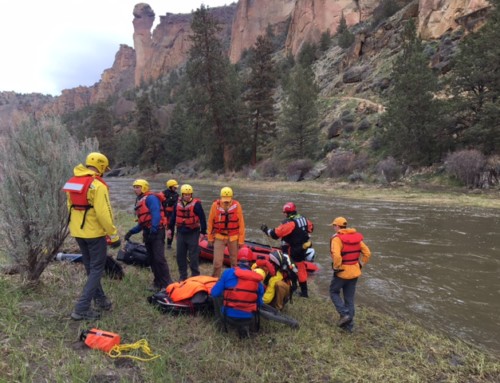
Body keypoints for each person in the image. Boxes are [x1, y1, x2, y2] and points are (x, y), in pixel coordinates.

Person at [63, 152, 121, 321]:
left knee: (91, 267)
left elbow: (69, 206)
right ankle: (81, 308)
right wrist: (113, 234)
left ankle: (101, 300)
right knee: (97, 269)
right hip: (94, 234)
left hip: (78, 232)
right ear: (101, 166)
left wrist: (76, 227)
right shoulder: (97, 185)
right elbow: (104, 214)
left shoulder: (73, 182)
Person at [125, 179, 173, 291]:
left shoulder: (151, 198)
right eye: (135, 187)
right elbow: (143, 222)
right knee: (151, 259)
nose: (135, 189)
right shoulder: (139, 200)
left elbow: (156, 214)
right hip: (148, 232)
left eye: (138, 187)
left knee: (159, 258)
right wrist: (131, 232)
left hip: (156, 231)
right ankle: (157, 282)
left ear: (144, 188)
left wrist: (154, 230)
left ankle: (167, 284)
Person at [261, 202, 314, 297]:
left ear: (286, 212)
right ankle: (304, 292)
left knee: (290, 267)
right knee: (301, 269)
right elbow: (311, 228)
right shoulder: (305, 219)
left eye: (284, 212)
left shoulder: (289, 223)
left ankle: (292, 288)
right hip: (303, 248)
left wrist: (266, 230)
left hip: (292, 249)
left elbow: (275, 234)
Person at [329, 216, 371, 333]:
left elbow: (337, 256)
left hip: (342, 272)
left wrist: (337, 268)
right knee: (349, 298)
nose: (333, 227)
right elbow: (367, 252)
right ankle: (349, 327)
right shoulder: (356, 238)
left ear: (337, 226)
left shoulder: (337, 239)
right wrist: (361, 264)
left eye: (333, 225)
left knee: (333, 292)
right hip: (355, 272)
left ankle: (344, 314)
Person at [211, 248, 264, 338]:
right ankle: (248, 327)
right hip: (248, 318)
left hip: (228, 317)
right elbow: (260, 303)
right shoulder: (257, 279)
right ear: (251, 262)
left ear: (238, 259)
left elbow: (214, 293)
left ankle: (220, 326)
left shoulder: (227, 273)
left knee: (217, 296)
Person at [167, 184, 207, 281]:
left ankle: (195, 276)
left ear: (191, 194)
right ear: (182, 195)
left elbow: (202, 218)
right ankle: (183, 276)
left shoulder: (196, 204)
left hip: (193, 233)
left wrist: (203, 232)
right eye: (185, 194)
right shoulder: (177, 204)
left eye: (189, 194)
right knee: (180, 256)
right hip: (181, 233)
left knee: (193, 256)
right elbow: (173, 218)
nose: (187, 196)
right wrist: (169, 229)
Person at [207, 186, 246, 278]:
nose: (226, 201)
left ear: (232, 197)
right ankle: (214, 280)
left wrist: (241, 240)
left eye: (228, 199)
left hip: (233, 237)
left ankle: (234, 279)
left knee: (234, 262)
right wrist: (210, 238)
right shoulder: (215, 205)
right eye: (224, 199)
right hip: (219, 237)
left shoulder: (237, 205)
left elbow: (241, 224)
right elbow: (210, 222)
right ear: (221, 197)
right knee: (217, 263)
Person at [162, 179, 179, 249]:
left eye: (176, 187)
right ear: (170, 187)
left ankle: (169, 244)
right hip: (164, 213)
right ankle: (161, 241)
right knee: (162, 228)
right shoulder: (164, 193)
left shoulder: (176, 195)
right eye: (174, 187)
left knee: (171, 228)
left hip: (172, 214)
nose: (176, 188)